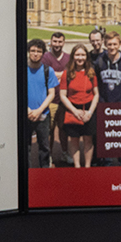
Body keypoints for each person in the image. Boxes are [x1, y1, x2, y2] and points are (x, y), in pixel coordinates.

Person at [58, 44, 99, 167]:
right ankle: (77, 166)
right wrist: (74, 111)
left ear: (86, 57)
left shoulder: (91, 72)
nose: (80, 58)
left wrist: (90, 112)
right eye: (77, 55)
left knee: (88, 140)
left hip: (88, 108)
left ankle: (87, 166)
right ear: (73, 56)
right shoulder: (67, 73)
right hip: (72, 108)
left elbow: (96, 94)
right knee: (74, 139)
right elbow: (63, 95)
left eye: (82, 55)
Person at [25, 38, 58, 167]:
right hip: (26, 114)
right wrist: (27, 110)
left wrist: (39, 110)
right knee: (25, 146)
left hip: (43, 114)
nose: (35, 54)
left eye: (39, 51)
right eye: (33, 51)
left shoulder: (48, 71)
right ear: (28, 52)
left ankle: (44, 172)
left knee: (44, 147)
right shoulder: (21, 69)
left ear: (43, 53)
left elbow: (52, 94)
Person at [42, 31, 72, 165]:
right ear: (51, 42)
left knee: (64, 129)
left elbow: (71, 75)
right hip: (51, 100)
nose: (57, 44)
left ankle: (65, 153)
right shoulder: (45, 57)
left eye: (60, 42)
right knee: (49, 130)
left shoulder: (68, 57)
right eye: (55, 41)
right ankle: (48, 156)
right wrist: (61, 75)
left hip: (65, 100)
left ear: (63, 43)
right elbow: (44, 75)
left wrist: (55, 74)